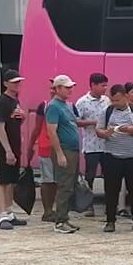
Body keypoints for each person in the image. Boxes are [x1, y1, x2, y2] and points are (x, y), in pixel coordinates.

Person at [96, 84, 133, 232]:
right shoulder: (106, 111)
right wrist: (105, 133)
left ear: (126, 97)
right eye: (113, 100)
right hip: (112, 156)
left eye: (118, 100)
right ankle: (110, 221)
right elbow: (99, 129)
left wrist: (130, 129)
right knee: (111, 190)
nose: (115, 103)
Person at [0, 71, 29, 230]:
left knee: (12, 179)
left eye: (18, 81)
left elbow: (16, 122)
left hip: (15, 144)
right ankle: (2, 214)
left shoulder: (15, 101)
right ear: (5, 83)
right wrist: (7, 150)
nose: (17, 84)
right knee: (3, 180)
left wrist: (23, 117)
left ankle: (10, 212)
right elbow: (0, 127)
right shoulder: (1, 102)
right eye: (14, 82)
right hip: (4, 146)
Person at [45, 75, 82, 233]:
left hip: (72, 149)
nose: (70, 90)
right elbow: (51, 132)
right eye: (67, 87)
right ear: (57, 88)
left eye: (71, 87)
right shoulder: (53, 106)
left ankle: (64, 217)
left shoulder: (66, 105)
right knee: (64, 185)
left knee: (70, 184)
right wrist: (59, 153)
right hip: (64, 149)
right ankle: (60, 221)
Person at [73, 73, 110, 218]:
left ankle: (109, 205)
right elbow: (76, 121)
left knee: (110, 175)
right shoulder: (82, 102)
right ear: (93, 85)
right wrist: (92, 122)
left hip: (107, 144)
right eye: (102, 85)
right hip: (91, 145)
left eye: (106, 85)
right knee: (90, 175)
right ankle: (88, 205)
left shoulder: (107, 100)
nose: (104, 88)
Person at [28, 85, 59, 220]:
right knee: (48, 181)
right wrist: (30, 146)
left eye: (55, 88)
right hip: (46, 147)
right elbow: (37, 127)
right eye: (51, 88)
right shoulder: (44, 106)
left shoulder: (68, 106)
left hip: (62, 148)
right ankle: (47, 211)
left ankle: (58, 210)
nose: (52, 91)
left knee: (59, 182)